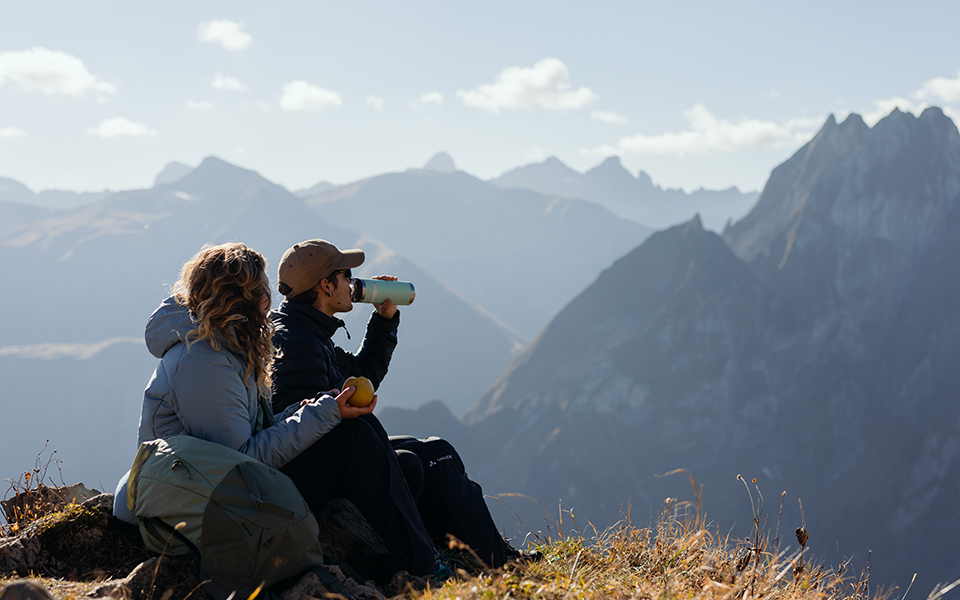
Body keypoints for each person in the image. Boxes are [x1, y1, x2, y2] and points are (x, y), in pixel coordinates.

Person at [114, 242, 445, 581]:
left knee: (365, 430)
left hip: (220, 490)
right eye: (261, 289)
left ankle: (415, 557)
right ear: (240, 298)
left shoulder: (226, 346)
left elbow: (249, 434)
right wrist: (324, 414)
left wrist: (312, 409)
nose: (268, 299)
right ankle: (423, 568)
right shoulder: (202, 362)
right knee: (351, 435)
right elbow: (240, 462)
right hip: (204, 504)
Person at [270, 239, 511, 567]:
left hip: (337, 456)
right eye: (346, 275)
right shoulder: (296, 343)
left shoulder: (307, 332)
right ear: (326, 286)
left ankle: (493, 556)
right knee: (418, 463)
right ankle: (464, 561)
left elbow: (361, 375)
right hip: (317, 475)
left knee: (436, 450)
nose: (352, 282)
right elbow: (298, 425)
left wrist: (384, 319)